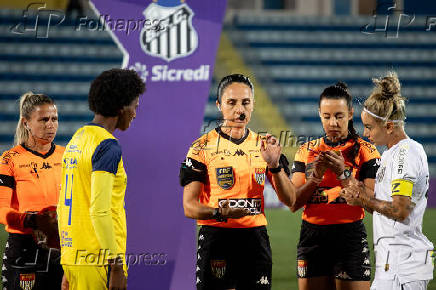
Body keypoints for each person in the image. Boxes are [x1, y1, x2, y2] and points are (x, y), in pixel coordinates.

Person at [180, 73, 296, 290]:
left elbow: (291, 200)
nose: (239, 110)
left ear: (253, 104)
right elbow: (189, 206)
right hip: (216, 238)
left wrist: (275, 167)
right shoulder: (200, 147)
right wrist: (219, 213)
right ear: (219, 105)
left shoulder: (266, 145)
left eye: (245, 102)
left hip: (255, 240)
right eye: (231, 103)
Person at [340, 72, 434, 290]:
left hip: (403, 268)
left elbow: (400, 210)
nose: (365, 133)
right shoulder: (391, 155)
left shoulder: (406, 154)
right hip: (393, 266)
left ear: (390, 126)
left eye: (370, 127)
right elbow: (383, 206)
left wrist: (363, 201)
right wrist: (348, 179)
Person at [57, 68, 145, 290]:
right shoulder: (108, 146)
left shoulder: (76, 140)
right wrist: (116, 265)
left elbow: (63, 207)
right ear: (120, 107)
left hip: (73, 257)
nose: (135, 113)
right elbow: (99, 210)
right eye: (134, 106)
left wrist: (68, 265)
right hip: (99, 260)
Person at [290, 82, 381, 290]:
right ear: (319, 114)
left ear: (350, 114)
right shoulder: (306, 151)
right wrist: (315, 177)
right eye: (327, 116)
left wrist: (343, 173)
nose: (333, 122)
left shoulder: (366, 151)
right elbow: (294, 203)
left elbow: (371, 204)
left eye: (339, 116)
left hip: (350, 238)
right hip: (312, 237)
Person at [0, 92, 64, 289]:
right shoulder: (10, 159)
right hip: (24, 249)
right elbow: (2, 211)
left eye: (54, 119)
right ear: (26, 122)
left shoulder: (68, 156)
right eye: (43, 119)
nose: (50, 125)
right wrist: (34, 221)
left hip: (63, 249)